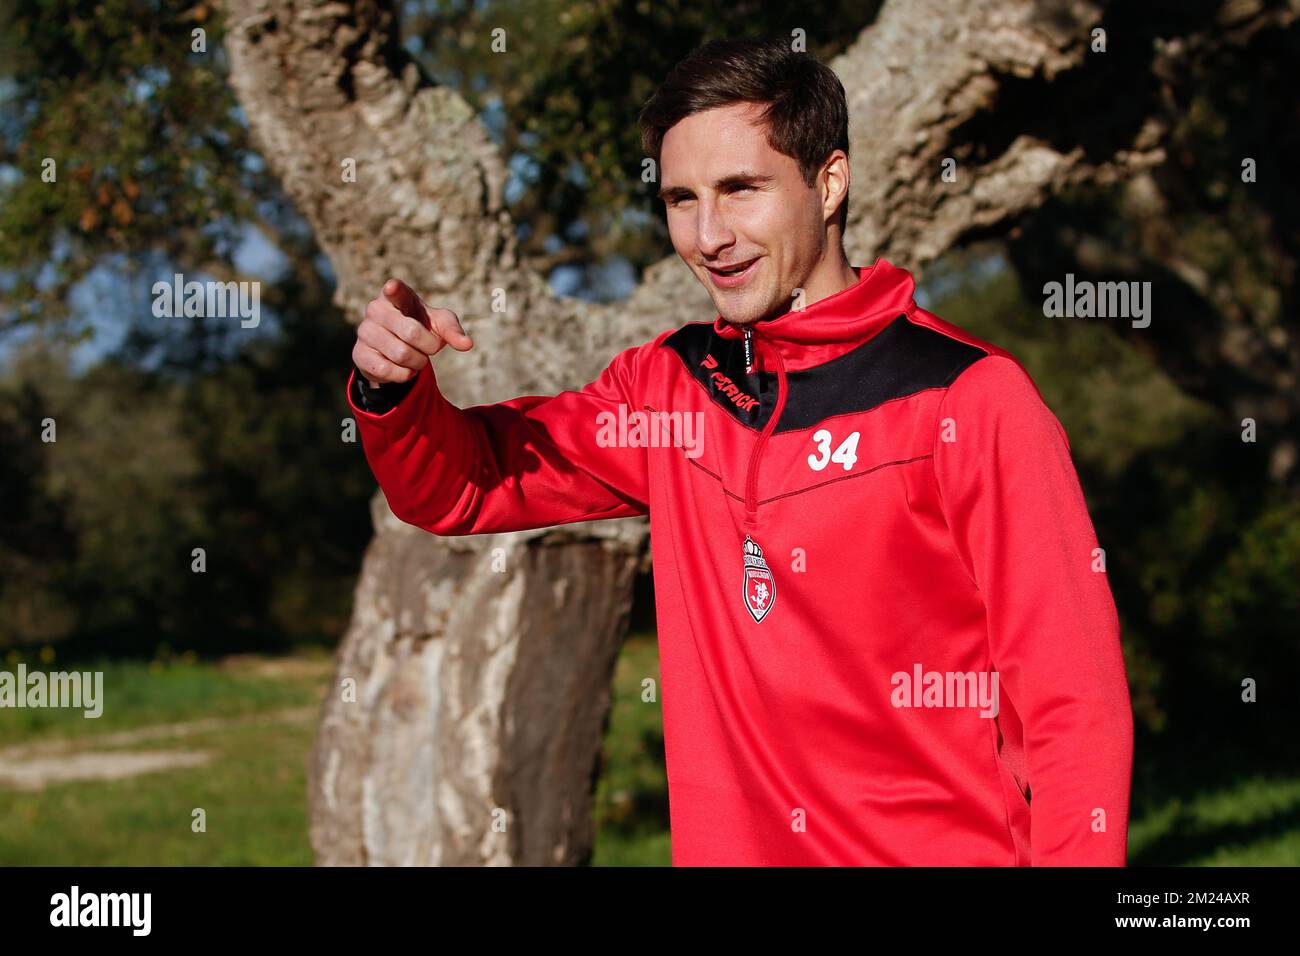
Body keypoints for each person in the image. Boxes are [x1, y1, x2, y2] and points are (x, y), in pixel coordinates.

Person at [346, 36, 1134, 866]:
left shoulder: (969, 398)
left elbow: (1073, 706)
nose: (708, 235)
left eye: (740, 190)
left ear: (829, 183)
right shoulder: (672, 388)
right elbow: (467, 484)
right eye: (682, 199)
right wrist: (393, 392)